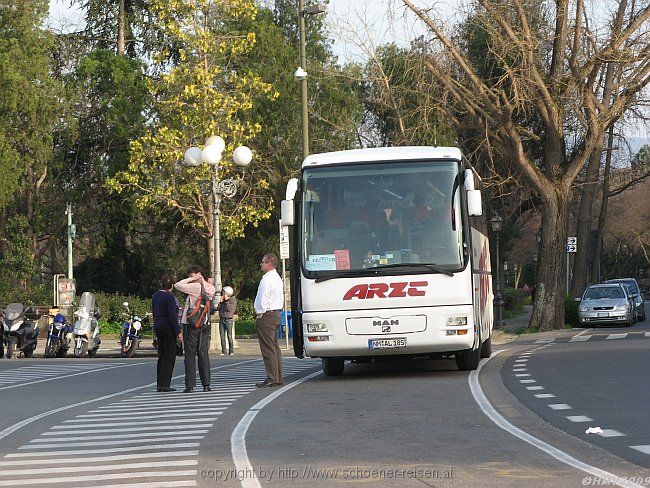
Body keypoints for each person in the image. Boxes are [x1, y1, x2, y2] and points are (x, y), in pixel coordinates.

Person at [174, 265, 215, 393]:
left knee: (190, 355)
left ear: (197, 274)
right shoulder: (209, 288)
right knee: (203, 354)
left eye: (191, 275)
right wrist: (201, 279)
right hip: (204, 324)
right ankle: (206, 384)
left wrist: (192, 279)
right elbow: (213, 291)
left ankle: (190, 385)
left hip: (191, 324)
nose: (189, 278)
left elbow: (177, 285)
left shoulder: (196, 287)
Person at [254, 253, 284, 387]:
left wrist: (260, 312)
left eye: (262, 262)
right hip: (277, 313)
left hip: (267, 315)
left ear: (268, 264)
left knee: (268, 348)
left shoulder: (266, 280)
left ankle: (271, 377)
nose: (261, 264)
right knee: (275, 347)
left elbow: (263, 298)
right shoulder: (277, 278)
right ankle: (277, 376)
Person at [152, 274, 183, 392]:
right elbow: (172, 316)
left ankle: (159, 382)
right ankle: (165, 384)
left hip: (158, 326)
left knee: (161, 354)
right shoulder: (169, 297)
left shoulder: (155, 295)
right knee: (169, 356)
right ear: (172, 285)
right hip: (168, 327)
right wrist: (178, 331)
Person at [217, 285, 237, 356]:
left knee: (229, 335)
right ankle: (224, 351)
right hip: (222, 318)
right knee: (222, 336)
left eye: (224, 293)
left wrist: (227, 301)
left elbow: (230, 309)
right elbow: (218, 308)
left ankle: (231, 351)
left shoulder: (233, 300)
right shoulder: (223, 301)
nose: (223, 294)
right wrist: (220, 302)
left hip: (229, 319)